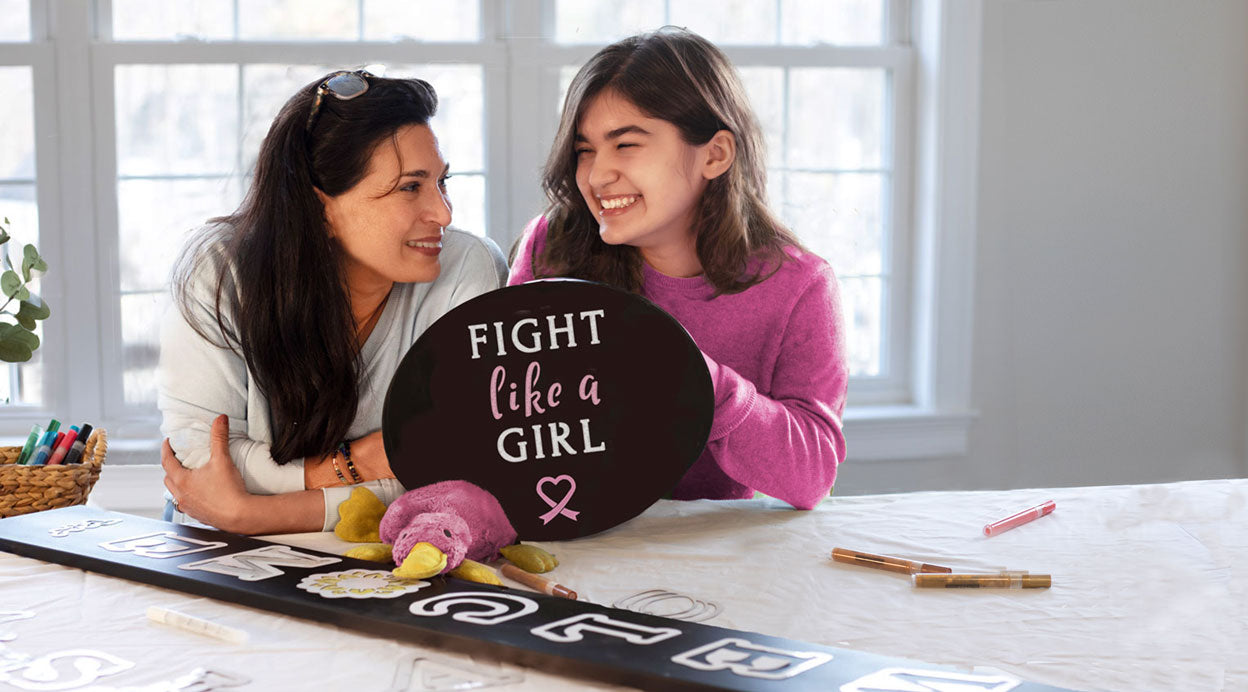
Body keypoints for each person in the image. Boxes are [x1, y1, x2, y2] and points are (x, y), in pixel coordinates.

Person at [509, 28, 847, 510]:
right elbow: (503, 422)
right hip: (575, 534)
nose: (597, 175)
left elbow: (812, 475)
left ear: (715, 154)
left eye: (626, 145)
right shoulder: (553, 242)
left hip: (715, 541)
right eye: (585, 150)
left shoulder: (800, 285)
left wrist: (694, 378)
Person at [158, 70, 507, 534]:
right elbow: (200, 459)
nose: (444, 213)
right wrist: (362, 461)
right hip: (219, 549)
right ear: (320, 207)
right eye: (410, 187)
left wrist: (255, 513)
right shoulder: (219, 269)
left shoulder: (467, 266)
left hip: (381, 547)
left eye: (442, 182)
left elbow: (465, 472)